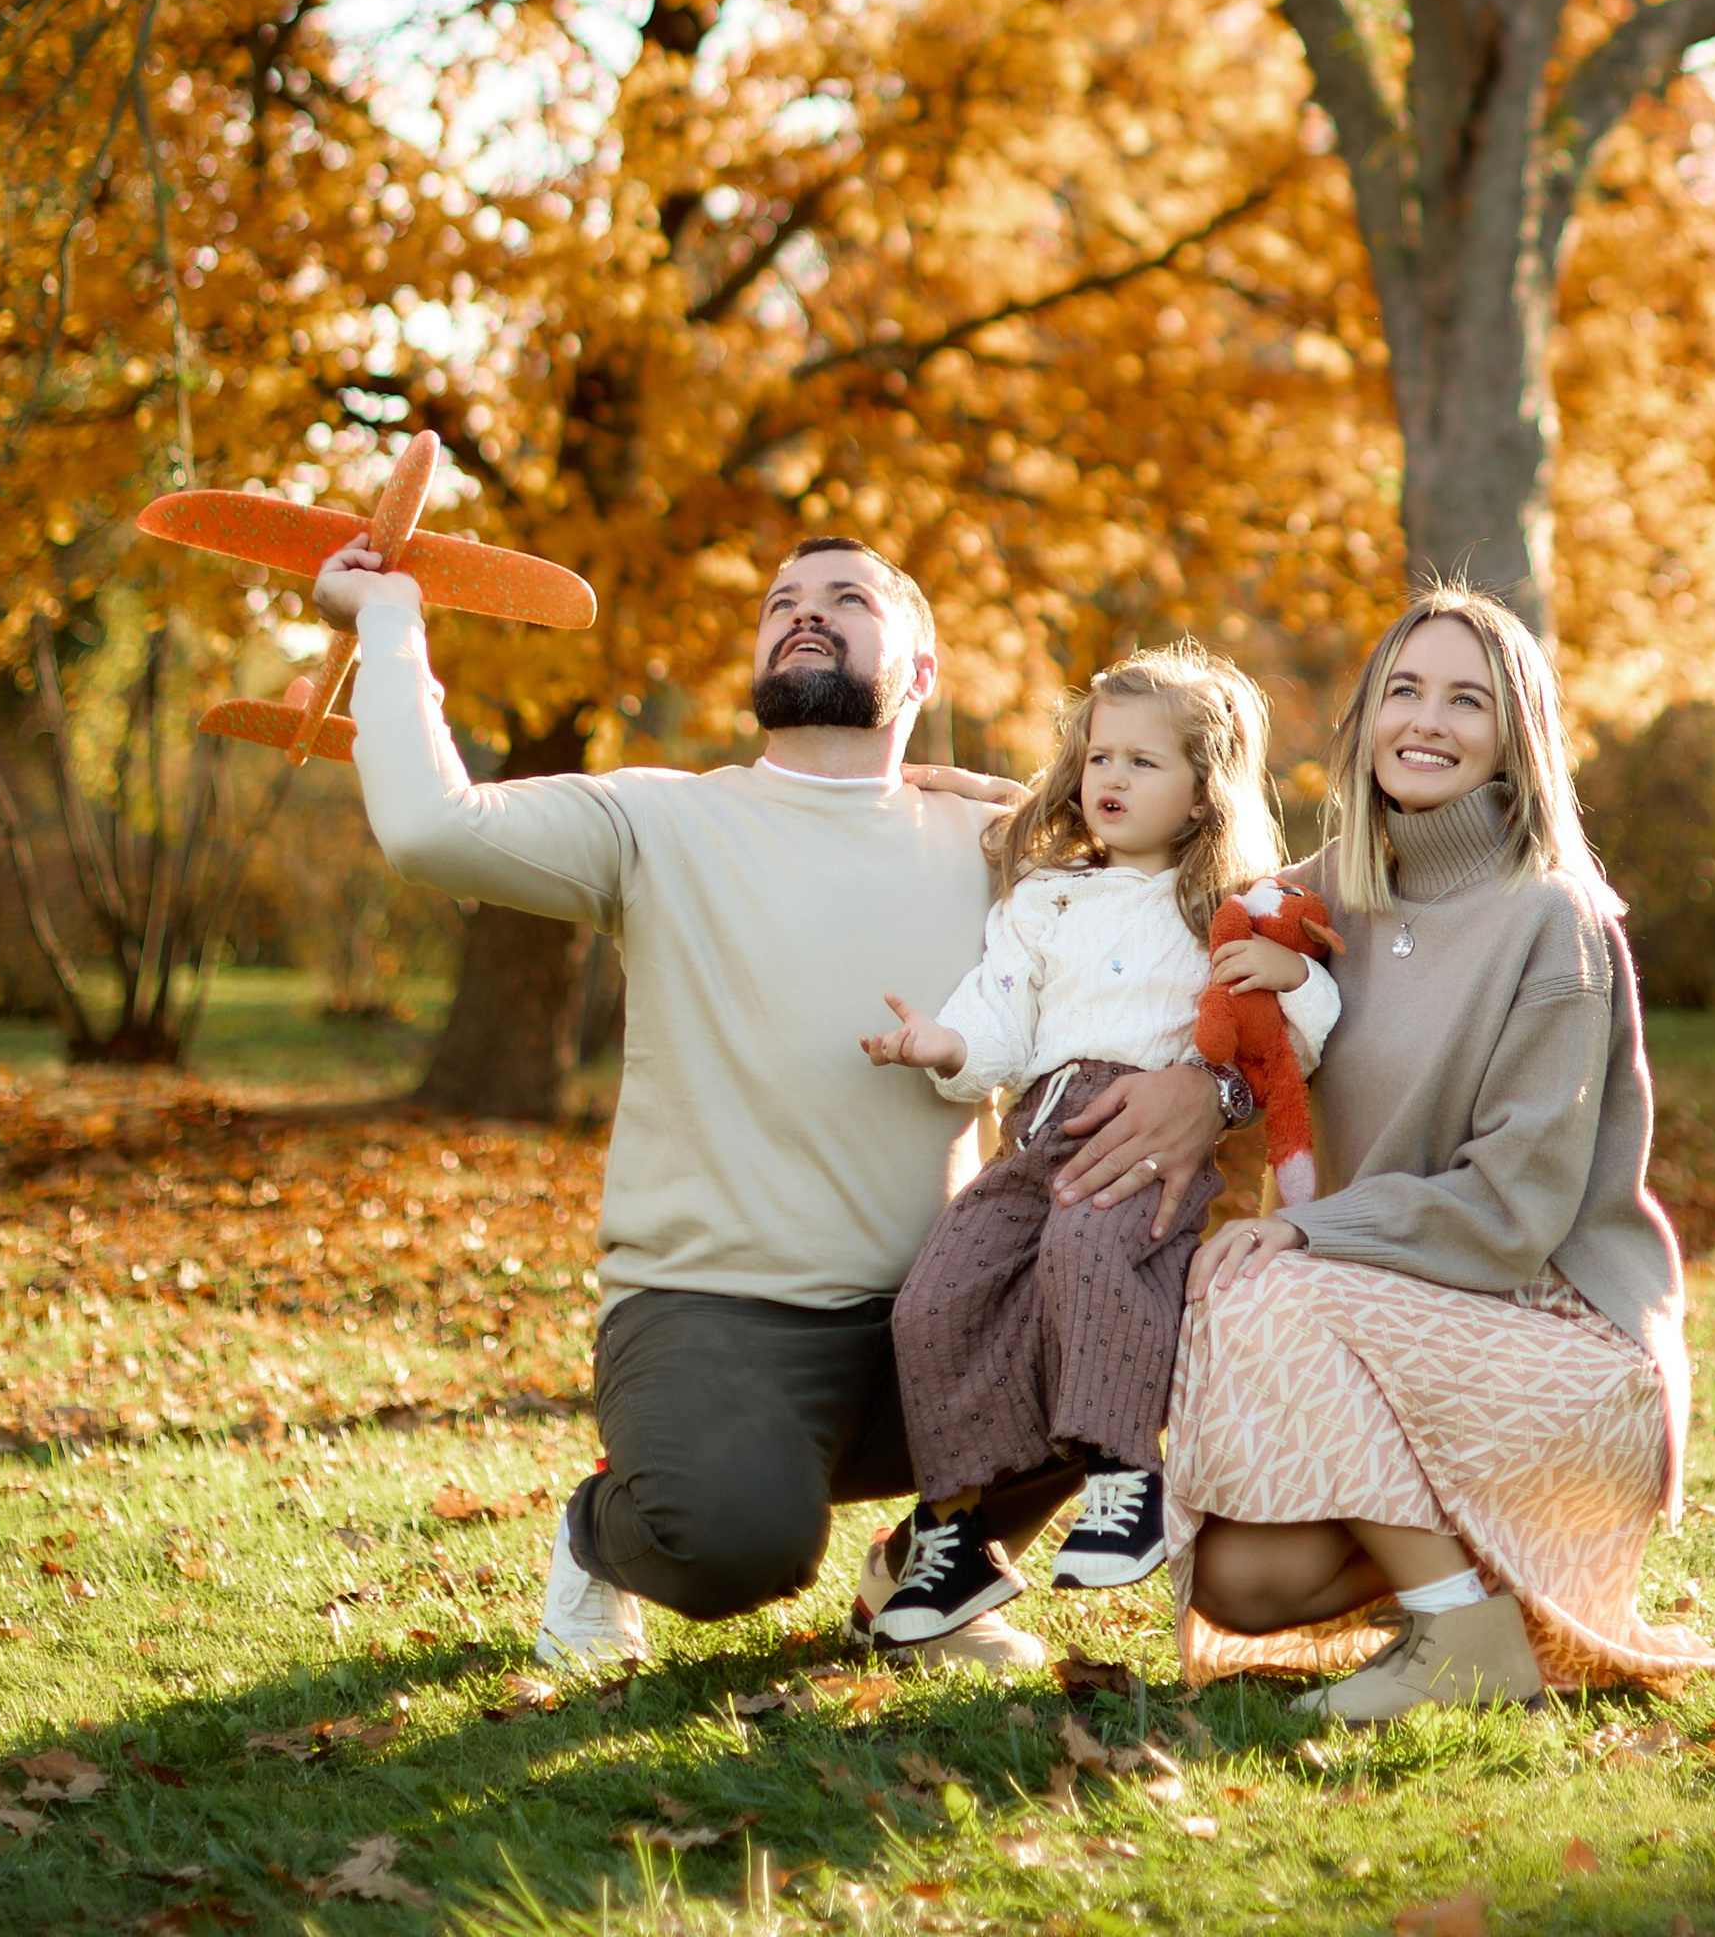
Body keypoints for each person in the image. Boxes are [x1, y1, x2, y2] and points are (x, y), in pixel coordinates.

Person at [315, 527, 1234, 1672]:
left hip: (945, 1302)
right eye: (780, 602)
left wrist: (1205, 1087)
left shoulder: (1012, 848)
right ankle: (601, 1533)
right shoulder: (658, 821)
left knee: (1147, 1308)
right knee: (735, 1544)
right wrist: (392, 622)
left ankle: (925, 1575)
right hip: (719, 1307)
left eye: (847, 598)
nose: (803, 612)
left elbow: (1215, 909)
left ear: (922, 672)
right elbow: (427, 828)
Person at [1171, 584, 1715, 1720]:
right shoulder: (1317, 897)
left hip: (1561, 1340)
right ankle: (1489, 1574)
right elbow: (1154, 891)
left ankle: (1458, 1632)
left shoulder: (1555, 920)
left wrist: (1303, 1226)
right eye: (1404, 690)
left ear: (1515, 736)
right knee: (1241, 1583)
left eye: (1467, 700)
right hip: (1395, 1325)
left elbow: (1511, 1213)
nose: (1427, 722)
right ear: (1366, 718)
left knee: (1267, 1281)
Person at [858, 647, 1335, 1643]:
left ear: (1206, 792)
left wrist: (1295, 985)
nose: (1109, 779)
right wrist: (938, 1044)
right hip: (1038, 1125)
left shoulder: (1232, 906)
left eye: (1143, 762)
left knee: (1086, 1254)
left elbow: (1295, 1036)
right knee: (938, 1293)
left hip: (1143, 1137)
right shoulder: (1045, 897)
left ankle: (1127, 1478)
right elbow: (996, 1020)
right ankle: (952, 1537)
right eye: (1098, 757)